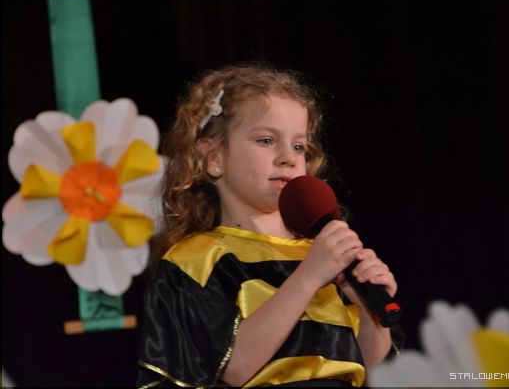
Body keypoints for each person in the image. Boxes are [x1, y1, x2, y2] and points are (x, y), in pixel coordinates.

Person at [136, 62, 403, 387]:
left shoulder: (326, 257)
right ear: (214, 157)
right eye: (266, 140)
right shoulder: (196, 262)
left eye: (299, 146)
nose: (288, 157)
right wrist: (308, 277)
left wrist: (372, 316)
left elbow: (367, 369)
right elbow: (235, 368)